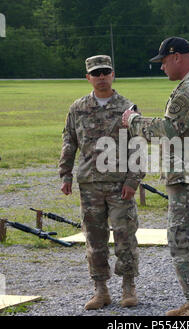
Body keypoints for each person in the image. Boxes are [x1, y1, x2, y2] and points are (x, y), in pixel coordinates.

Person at [122, 37, 189, 316]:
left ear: (176, 56)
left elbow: (168, 129)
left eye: (163, 61)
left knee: (183, 239)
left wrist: (132, 120)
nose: (162, 67)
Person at [58, 55, 144, 310]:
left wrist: (133, 180)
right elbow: (69, 140)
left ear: (113, 74)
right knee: (94, 240)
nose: (102, 77)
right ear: (88, 77)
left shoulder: (128, 108)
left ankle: (128, 286)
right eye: (96, 73)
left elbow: (138, 146)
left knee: (125, 236)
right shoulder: (78, 108)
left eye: (106, 71)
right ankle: (101, 289)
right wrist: (65, 174)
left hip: (120, 187)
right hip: (90, 185)